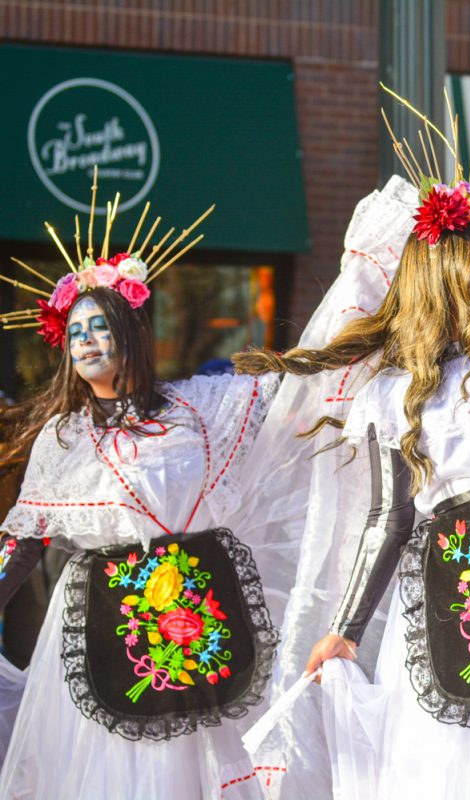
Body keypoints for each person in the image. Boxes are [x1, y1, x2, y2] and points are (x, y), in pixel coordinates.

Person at [234, 103, 470, 797]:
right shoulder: (394, 395)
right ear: (440, 277)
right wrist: (343, 631)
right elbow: (388, 520)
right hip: (450, 612)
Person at [0, 190, 283, 798]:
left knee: (190, 768)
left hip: (193, 620)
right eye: (75, 332)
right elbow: (24, 541)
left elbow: (289, 394)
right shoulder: (64, 436)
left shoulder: (197, 409)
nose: (86, 341)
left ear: (132, 328)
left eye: (100, 325)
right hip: (104, 624)